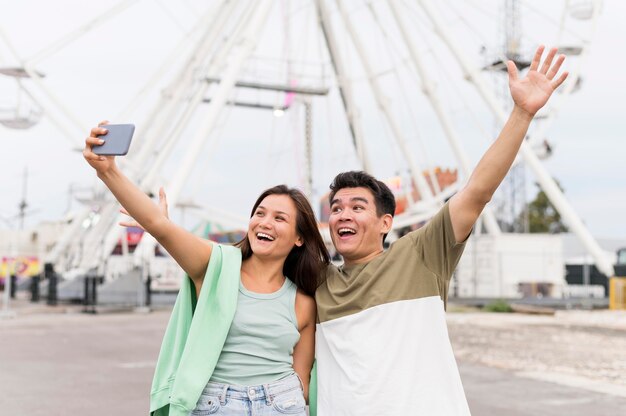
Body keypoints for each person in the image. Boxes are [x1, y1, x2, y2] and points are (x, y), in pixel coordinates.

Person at [311, 46, 569, 415]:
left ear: (387, 223)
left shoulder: (420, 255)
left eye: (357, 207)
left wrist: (522, 113)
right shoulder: (319, 283)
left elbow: (477, 192)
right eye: (336, 209)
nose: (342, 216)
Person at [83, 134, 330, 416]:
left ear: (299, 237)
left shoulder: (303, 301)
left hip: (281, 403)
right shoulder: (216, 267)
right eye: (259, 213)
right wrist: (108, 171)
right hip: (218, 404)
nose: (265, 223)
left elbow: (303, 379)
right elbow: (156, 224)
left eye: (279, 218)